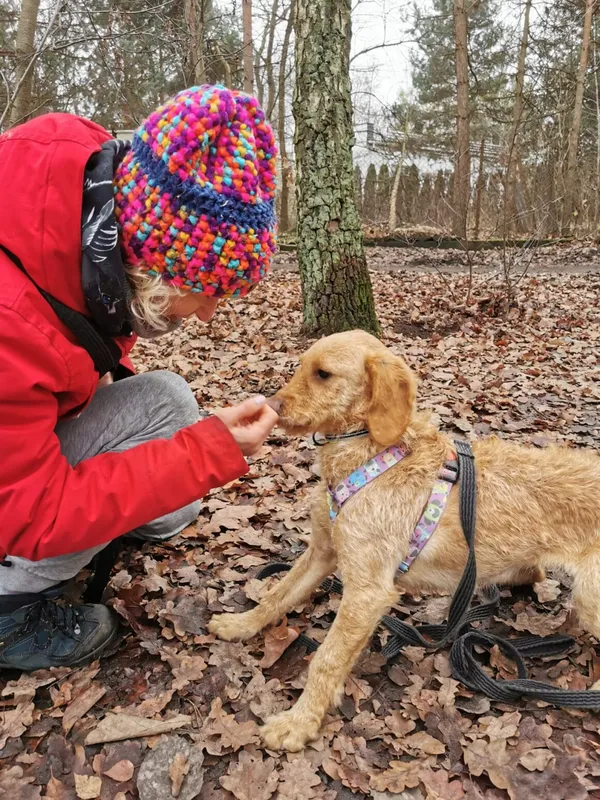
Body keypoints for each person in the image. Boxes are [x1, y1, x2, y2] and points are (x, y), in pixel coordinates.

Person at [0, 85, 280, 671]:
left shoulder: (92, 210)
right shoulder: (9, 321)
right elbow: (35, 513)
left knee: (166, 403)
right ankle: (10, 611)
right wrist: (206, 454)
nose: (206, 315)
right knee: (167, 450)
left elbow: (75, 342)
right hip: (20, 507)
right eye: (206, 295)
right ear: (152, 266)